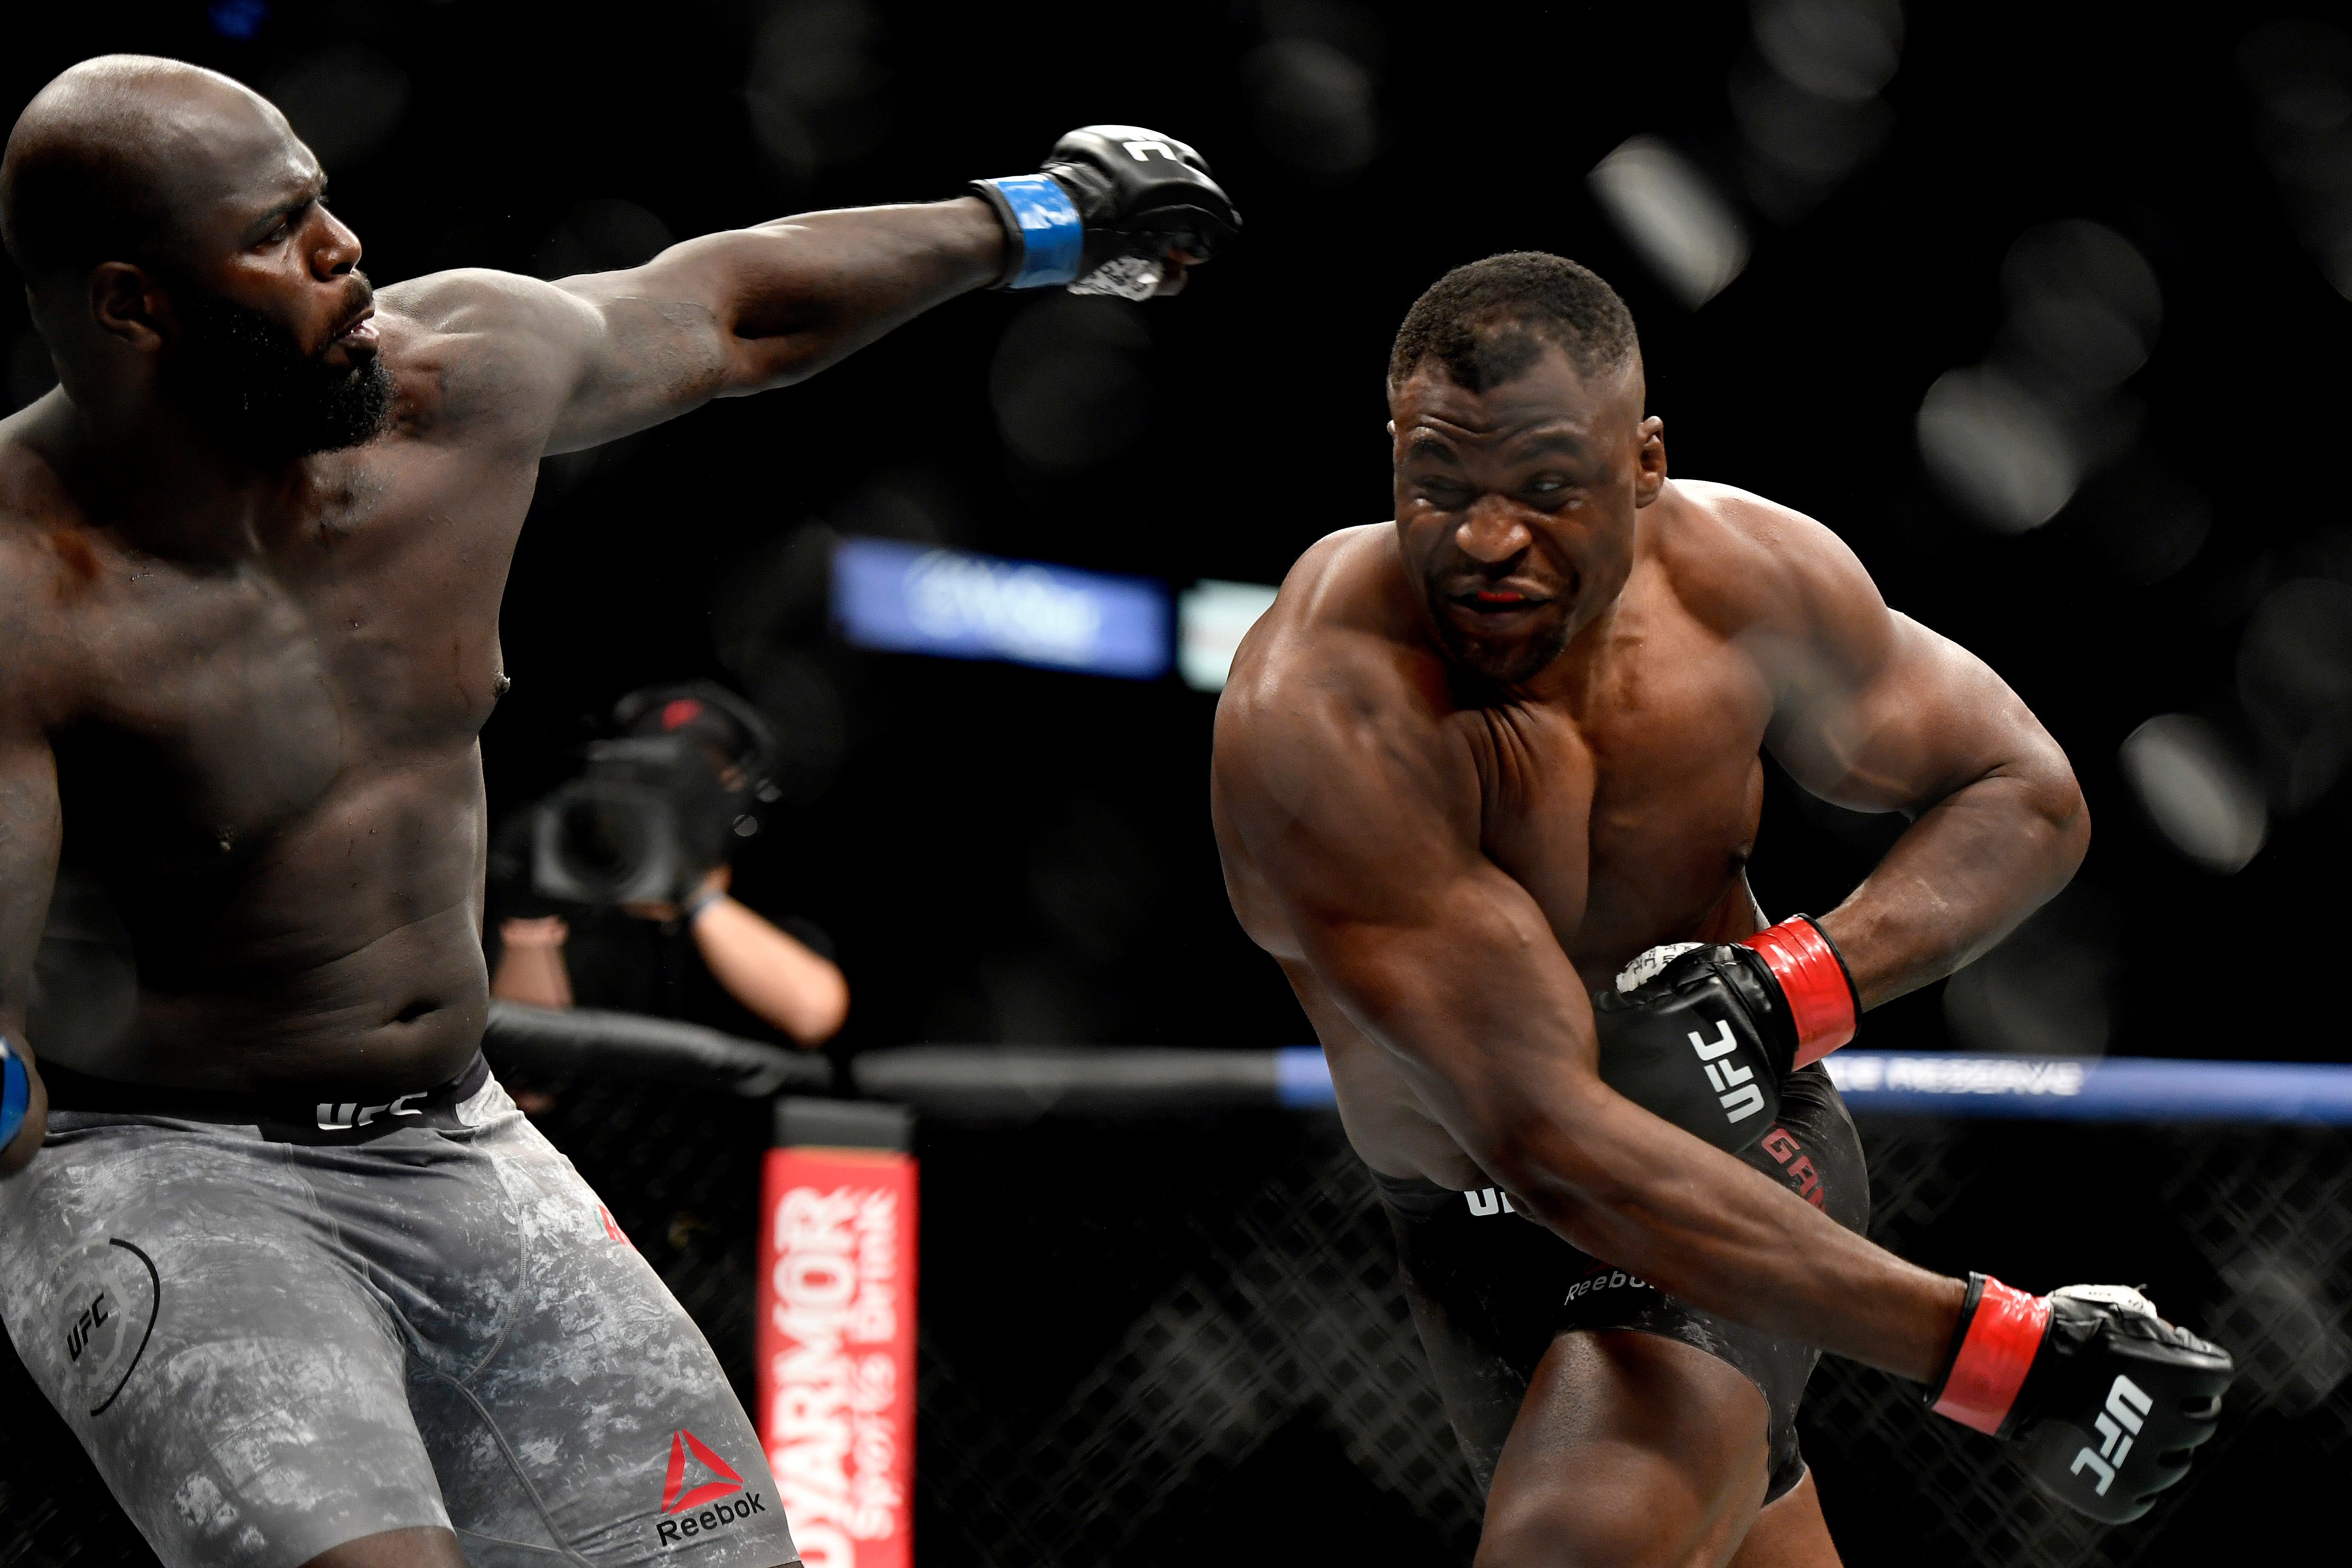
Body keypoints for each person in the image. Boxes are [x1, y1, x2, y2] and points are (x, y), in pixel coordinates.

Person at [0, 54, 1235, 1568]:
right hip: (170, 1167)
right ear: (135, 306)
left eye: (325, 201)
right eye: (279, 231)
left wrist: (1045, 219)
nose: (345, 251)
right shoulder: (24, 594)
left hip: (456, 1139)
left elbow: (731, 310)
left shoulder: (447, 385)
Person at [1210, 253, 2231, 1567]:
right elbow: (1548, 1141)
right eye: (1437, 484)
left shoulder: (1745, 581)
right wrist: (1997, 1350)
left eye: (1542, 486)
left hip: (1735, 1139)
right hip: (1475, 1220)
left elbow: (2021, 790)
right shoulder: (1326, 708)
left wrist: (1786, 986)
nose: (1482, 538)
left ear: (1640, 464)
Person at [490, 682, 850, 1047]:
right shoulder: (577, 892)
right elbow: (527, 1080)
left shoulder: (770, 896)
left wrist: (693, 895)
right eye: (645, 774)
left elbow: (814, 1013)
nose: (671, 799)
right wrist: (531, 913)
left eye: (695, 778)